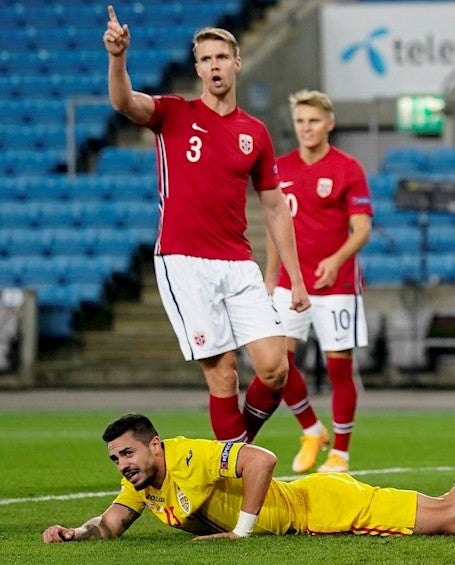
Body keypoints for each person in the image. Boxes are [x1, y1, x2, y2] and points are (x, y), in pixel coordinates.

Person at [103, 5, 310, 443]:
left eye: (221, 57)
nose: (214, 65)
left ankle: (235, 451)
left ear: (237, 63)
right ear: (197, 68)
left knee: (275, 368)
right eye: (205, 59)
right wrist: (118, 58)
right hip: (185, 260)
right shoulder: (173, 113)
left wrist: (296, 277)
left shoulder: (254, 132)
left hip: (237, 262)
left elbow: (275, 208)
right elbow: (125, 102)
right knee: (224, 376)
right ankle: (233, 470)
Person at [40, 398, 455, 542]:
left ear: (155, 446)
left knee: (452, 516)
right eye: (117, 459)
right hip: (317, 505)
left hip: (322, 507)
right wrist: (79, 531)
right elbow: (113, 523)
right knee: (444, 509)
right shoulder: (142, 482)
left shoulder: (189, 456)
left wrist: (240, 531)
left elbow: (261, 459)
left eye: (129, 455)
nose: (123, 466)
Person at [255, 89, 373, 474]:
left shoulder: (348, 168)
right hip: (292, 282)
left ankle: (340, 453)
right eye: (300, 121)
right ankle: (311, 428)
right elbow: (276, 229)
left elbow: (362, 228)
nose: (306, 128)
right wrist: (270, 278)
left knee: (338, 367)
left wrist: (337, 260)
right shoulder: (280, 167)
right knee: (277, 364)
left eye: (314, 121)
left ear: (329, 124)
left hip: (336, 286)